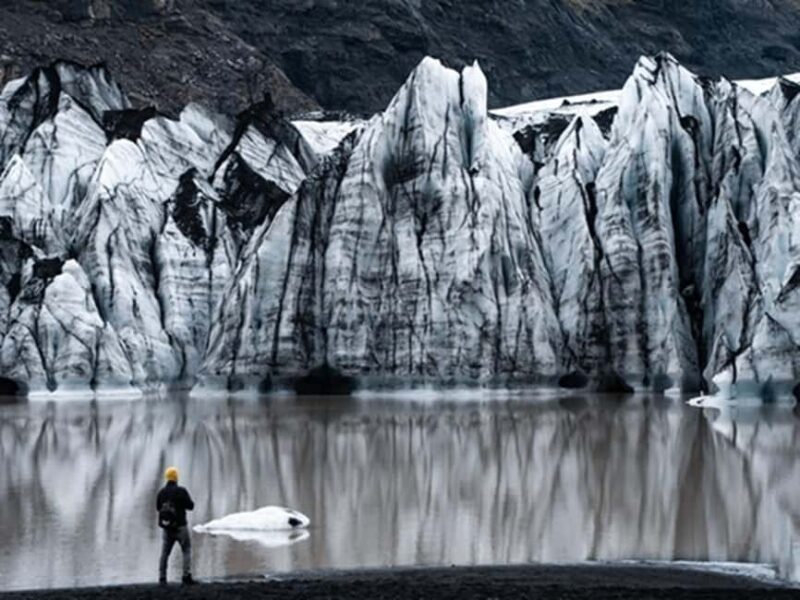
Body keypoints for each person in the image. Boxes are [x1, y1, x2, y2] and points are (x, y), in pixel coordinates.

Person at [156, 466, 196, 585]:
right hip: (181, 526)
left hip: (167, 528)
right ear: (176, 478)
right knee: (186, 550)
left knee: (165, 552)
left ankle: (162, 577)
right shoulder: (181, 491)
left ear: (167, 478)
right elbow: (191, 506)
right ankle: (186, 576)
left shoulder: (161, 492)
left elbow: (158, 508)